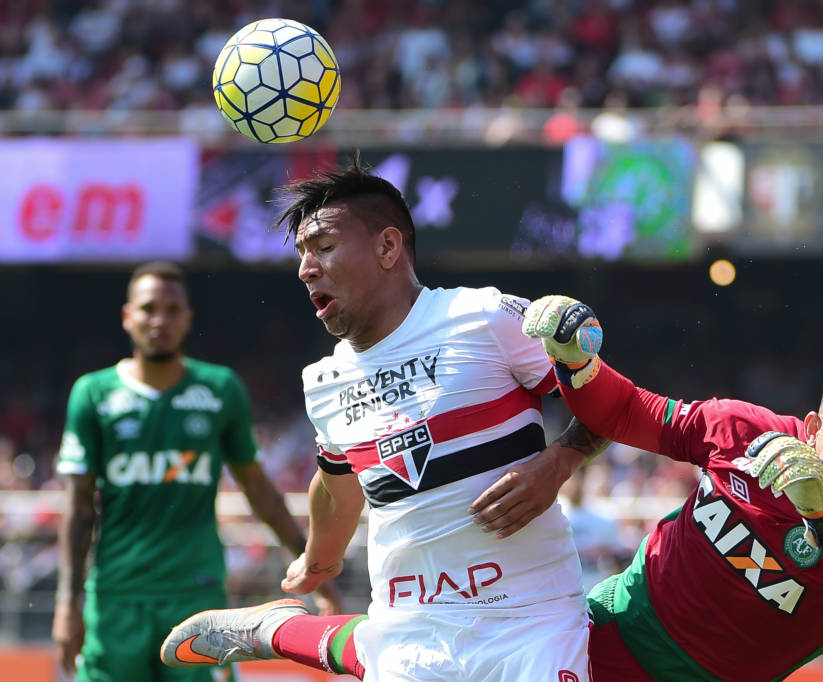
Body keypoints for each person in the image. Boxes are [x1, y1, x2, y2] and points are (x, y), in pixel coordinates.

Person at [161, 161, 607, 681]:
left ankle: (283, 634)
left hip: (533, 619)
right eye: (302, 254)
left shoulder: (484, 317)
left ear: (388, 248)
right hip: (409, 632)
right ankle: (280, 625)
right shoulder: (324, 381)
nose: (306, 269)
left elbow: (612, 401)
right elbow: (337, 487)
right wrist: (317, 560)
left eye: (324, 247)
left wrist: (558, 463)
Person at [519, 294, 823, 681]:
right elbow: (626, 411)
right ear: (813, 428)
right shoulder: (742, 431)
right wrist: (578, 365)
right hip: (609, 639)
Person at [52, 261, 342, 682]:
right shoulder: (92, 394)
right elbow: (79, 509)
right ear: (128, 316)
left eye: (172, 310)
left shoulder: (219, 390)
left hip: (197, 594)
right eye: (148, 308)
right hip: (116, 596)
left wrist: (312, 565)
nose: (160, 320)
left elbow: (259, 490)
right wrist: (66, 604)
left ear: (188, 319)